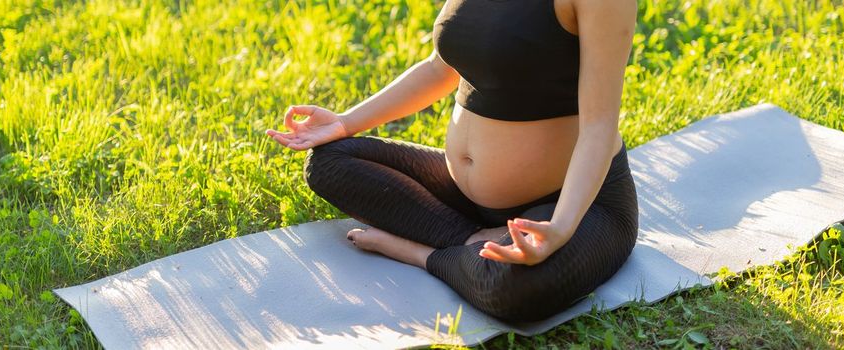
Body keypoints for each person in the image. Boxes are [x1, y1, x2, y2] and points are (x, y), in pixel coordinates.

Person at [266, 0, 639, 322]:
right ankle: (467, 239)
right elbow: (438, 69)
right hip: (461, 191)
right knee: (331, 162)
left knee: (513, 289)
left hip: (573, 203)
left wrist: (561, 226)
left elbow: (599, 128)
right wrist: (346, 122)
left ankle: (423, 254)